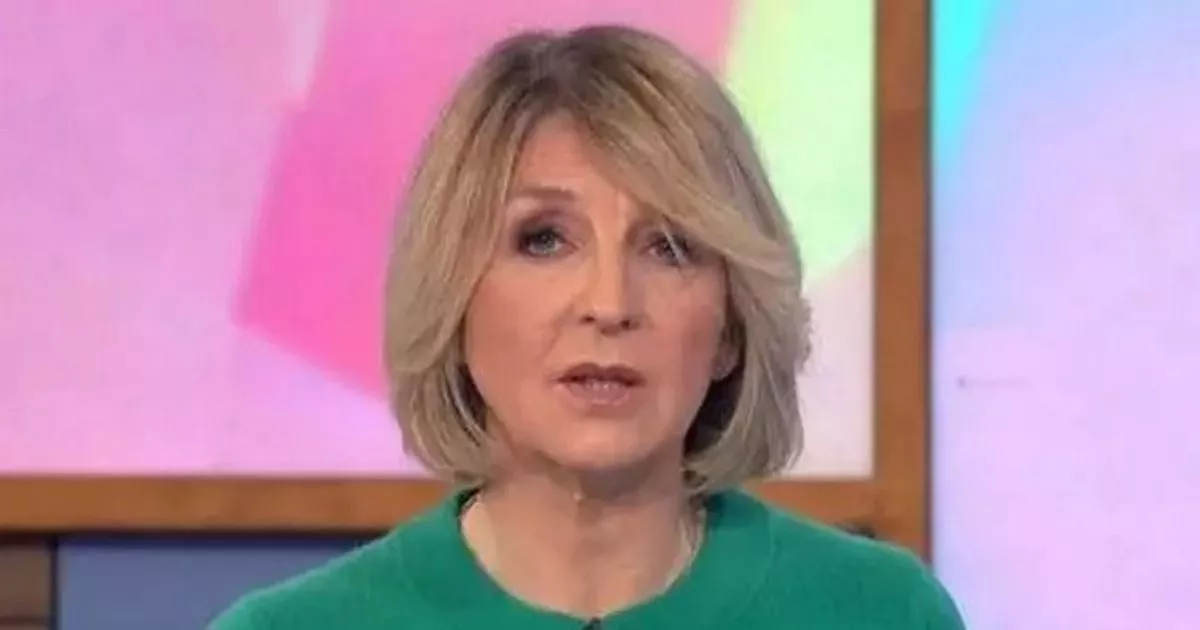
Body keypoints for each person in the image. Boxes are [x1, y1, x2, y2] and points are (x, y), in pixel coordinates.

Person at [211, 24, 965, 630]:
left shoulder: (878, 613)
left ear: (731, 326)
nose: (609, 303)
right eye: (544, 240)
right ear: (456, 298)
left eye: (669, 247)